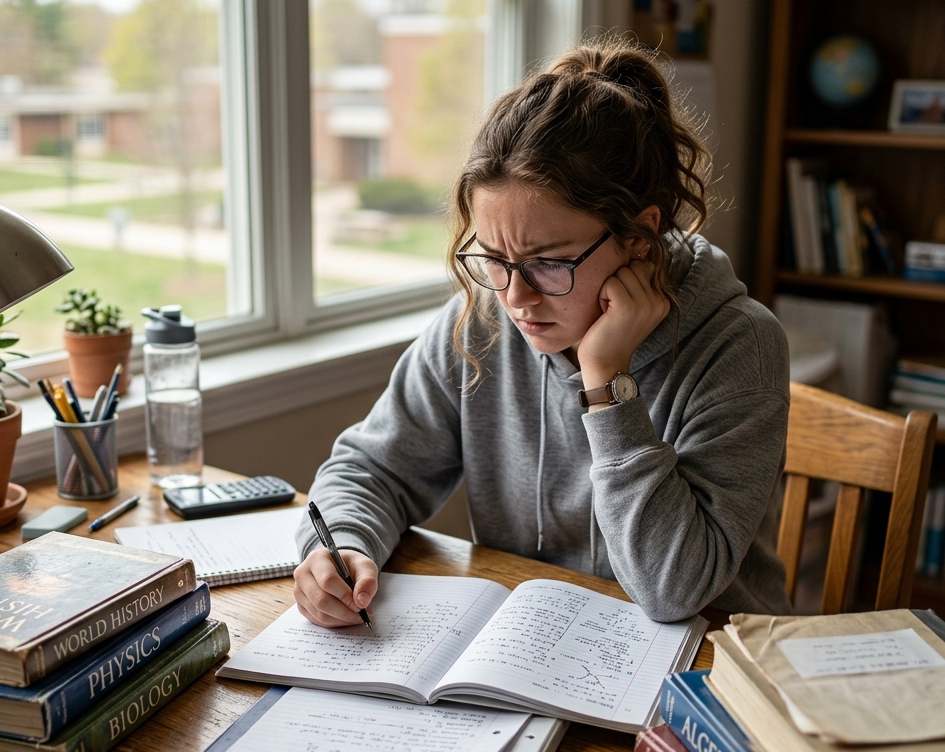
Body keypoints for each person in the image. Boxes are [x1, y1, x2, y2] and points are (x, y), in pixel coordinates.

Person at [293, 36, 791, 628]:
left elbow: (673, 590)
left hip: (713, 658)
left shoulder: (739, 345)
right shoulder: (482, 319)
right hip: (538, 643)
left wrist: (607, 385)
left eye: (549, 263)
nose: (515, 297)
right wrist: (342, 543)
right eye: (493, 257)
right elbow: (372, 468)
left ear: (639, 237)